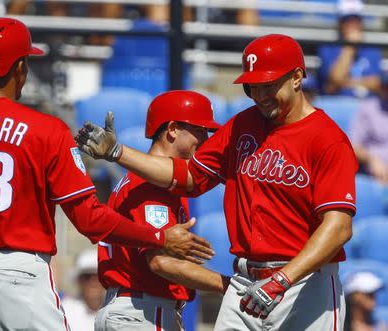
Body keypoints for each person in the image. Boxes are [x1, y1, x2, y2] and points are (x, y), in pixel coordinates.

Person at [0, 17, 213, 331]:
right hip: (16, 275)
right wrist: (158, 237)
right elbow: (90, 220)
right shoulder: (46, 129)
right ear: (19, 67)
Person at [76, 33, 358, 331]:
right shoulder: (243, 125)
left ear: (297, 77)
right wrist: (119, 153)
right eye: (252, 87)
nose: (260, 96)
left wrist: (283, 278)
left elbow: (338, 227)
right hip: (244, 280)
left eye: (268, 85)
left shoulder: (328, 139)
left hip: (303, 282)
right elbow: (186, 176)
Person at [95, 90, 230, 331]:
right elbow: (161, 262)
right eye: (200, 130)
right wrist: (228, 285)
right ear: (173, 129)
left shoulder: (151, 180)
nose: (205, 139)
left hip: (135, 310)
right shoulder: (150, 185)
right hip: (141, 312)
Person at [318, 0, 383, 98]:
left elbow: (377, 83)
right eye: (347, 20)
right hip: (337, 103)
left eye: (356, 19)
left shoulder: (372, 49)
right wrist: (350, 47)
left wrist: (344, 83)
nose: (352, 24)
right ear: (340, 22)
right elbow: (334, 80)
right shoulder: (328, 48)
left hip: (368, 105)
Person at [349, 73, 388, 183]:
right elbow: (352, 146)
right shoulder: (369, 109)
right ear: (382, 88)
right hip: (375, 176)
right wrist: (371, 160)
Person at [62, 249, 104, 331]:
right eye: (87, 276)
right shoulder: (64, 311)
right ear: (78, 280)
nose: (93, 282)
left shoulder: (116, 310)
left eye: (98, 276)